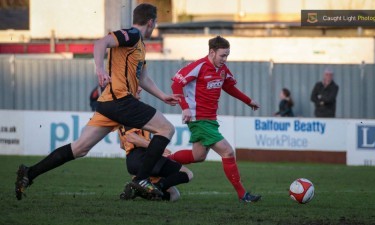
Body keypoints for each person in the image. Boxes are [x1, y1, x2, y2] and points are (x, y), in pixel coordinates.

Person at [15, 3, 180, 200]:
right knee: (167, 129)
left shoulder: (140, 46)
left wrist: (163, 96)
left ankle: (29, 173)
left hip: (109, 103)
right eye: (156, 24)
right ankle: (142, 179)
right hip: (120, 100)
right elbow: (100, 43)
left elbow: (143, 78)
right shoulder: (133, 35)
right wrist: (99, 69)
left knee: (79, 148)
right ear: (151, 22)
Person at [169, 36, 261, 203]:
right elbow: (176, 84)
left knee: (198, 156)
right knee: (228, 151)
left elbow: (229, 86)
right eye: (222, 55)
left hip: (210, 119)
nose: (225, 59)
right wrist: (185, 107)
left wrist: (249, 101)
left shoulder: (222, 69)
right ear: (212, 52)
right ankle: (243, 195)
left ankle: (162, 161)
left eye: (227, 55)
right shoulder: (199, 66)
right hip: (198, 119)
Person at [118, 87, 193, 201]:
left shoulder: (124, 111)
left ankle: (141, 189)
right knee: (187, 174)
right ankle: (153, 186)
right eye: (136, 86)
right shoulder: (130, 111)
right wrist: (156, 148)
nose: (140, 89)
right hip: (143, 157)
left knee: (174, 195)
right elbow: (130, 137)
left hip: (133, 160)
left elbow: (122, 145)